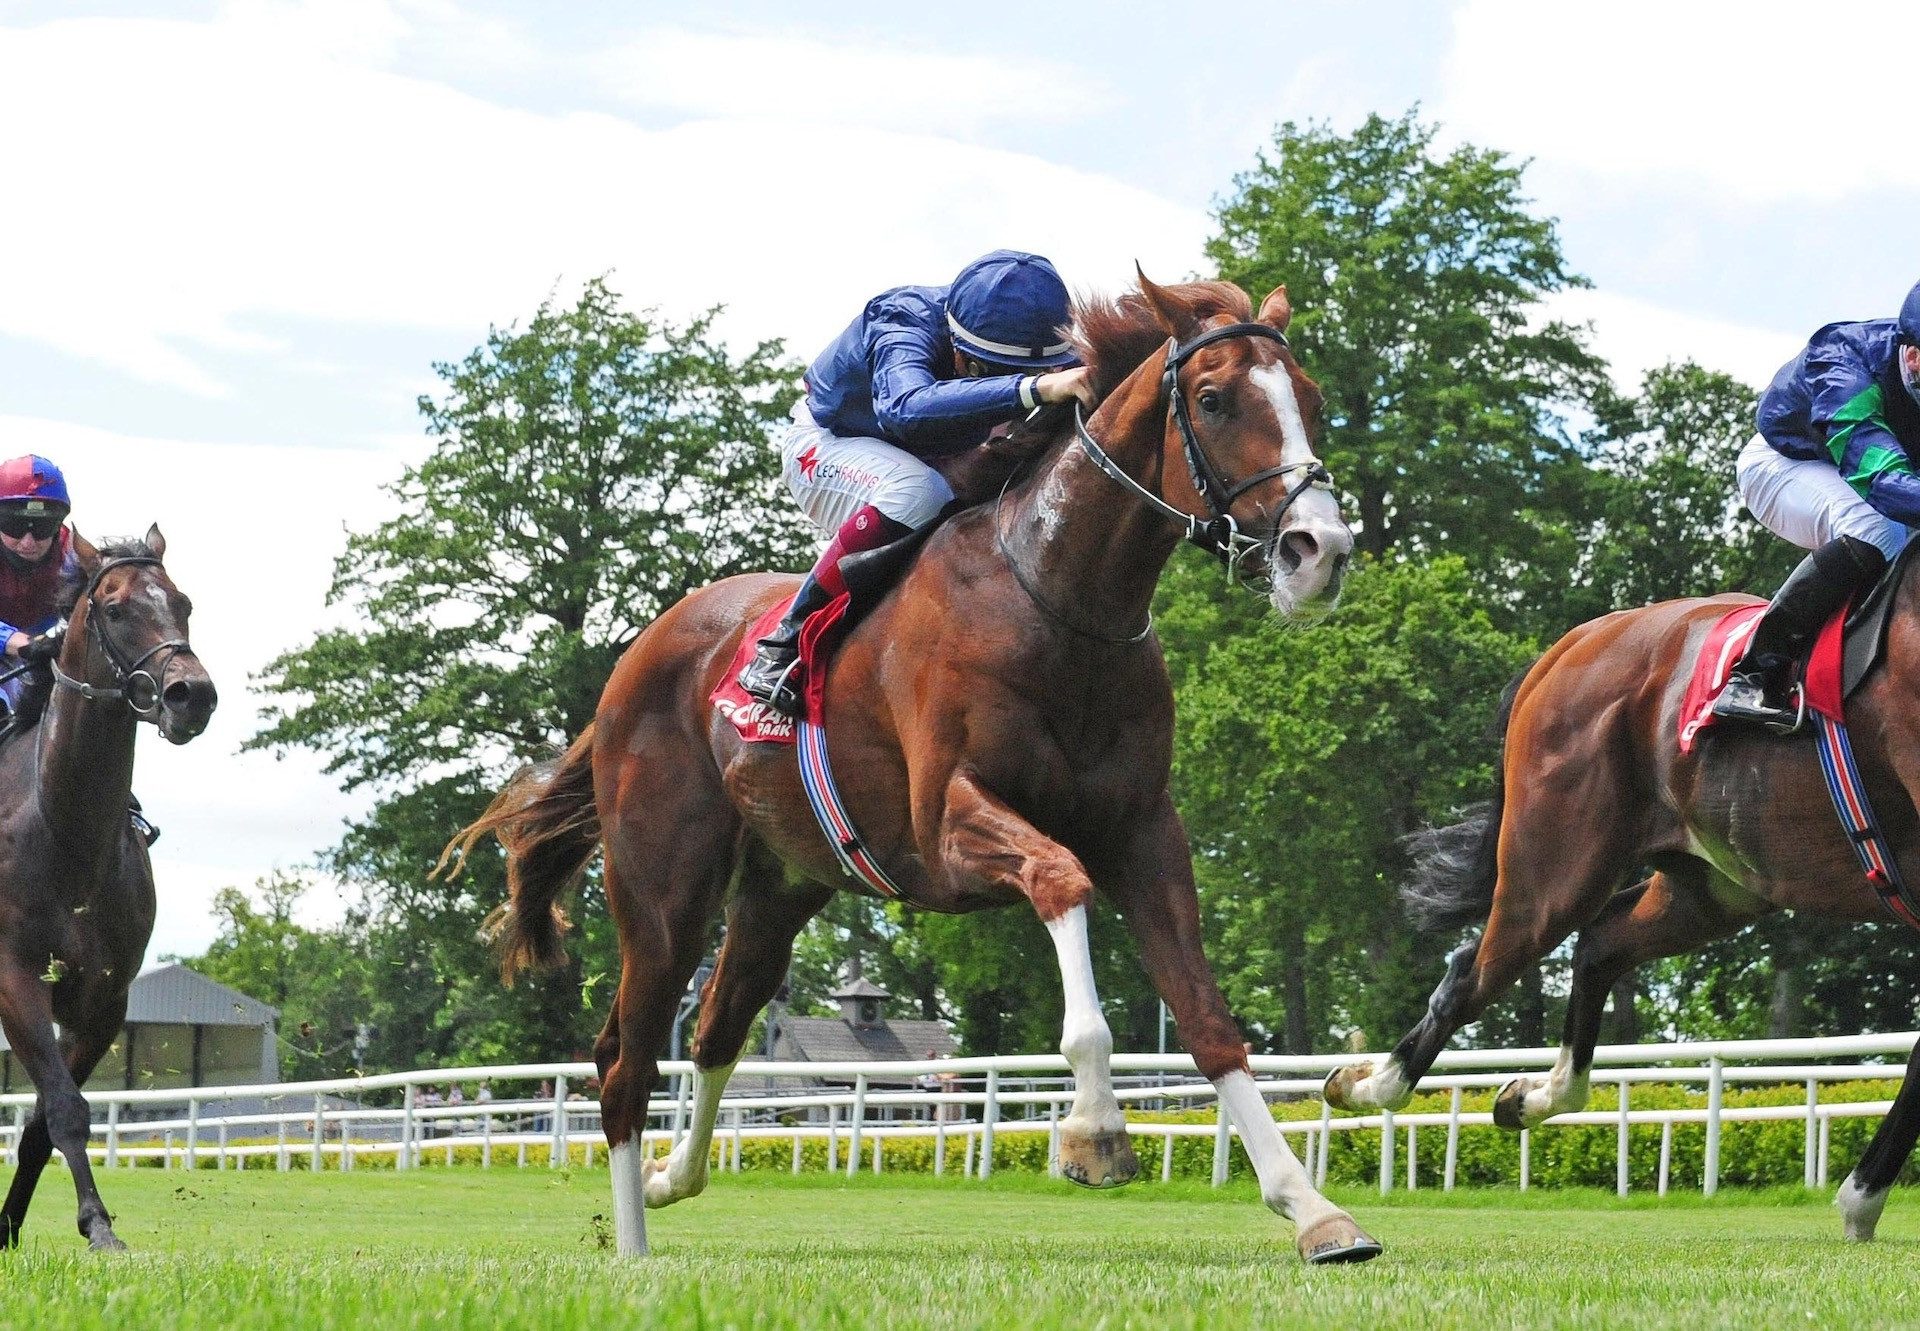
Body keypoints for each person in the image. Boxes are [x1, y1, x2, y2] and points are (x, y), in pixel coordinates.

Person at [736, 250, 1096, 716]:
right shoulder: (901, 317)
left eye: (1032, 372)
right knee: (918, 491)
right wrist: (1033, 389)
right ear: (960, 348)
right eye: (996, 371)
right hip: (830, 443)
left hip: (935, 455)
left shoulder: (1028, 342)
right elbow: (905, 407)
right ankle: (784, 642)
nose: (1019, 382)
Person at [1715, 280, 1920, 730]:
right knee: (1881, 531)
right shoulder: (1845, 363)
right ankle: (1756, 673)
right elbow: (1879, 478)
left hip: (1881, 477)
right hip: (1786, 464)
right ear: (1912, 354)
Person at [0, 456, 162, 843]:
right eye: (14, 525)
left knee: (85, 715)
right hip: (19, 649)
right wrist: (17, 642)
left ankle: (124, 807)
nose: (28, 540)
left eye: (42, 528)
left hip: (39, 653)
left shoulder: (75, 554)